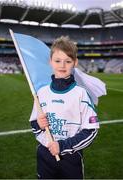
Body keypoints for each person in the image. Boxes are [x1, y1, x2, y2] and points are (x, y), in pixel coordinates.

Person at [29, 36, 100, 179]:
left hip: (71, 158)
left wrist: (62, 146)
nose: (62, 65)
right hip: (45, 156)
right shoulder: (41, 93)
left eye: (67, 61)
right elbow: (34, 126)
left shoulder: (81, 94)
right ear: (50, 62)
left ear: (75, 63)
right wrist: (39, 124)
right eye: (57, 61)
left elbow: (91, 131)